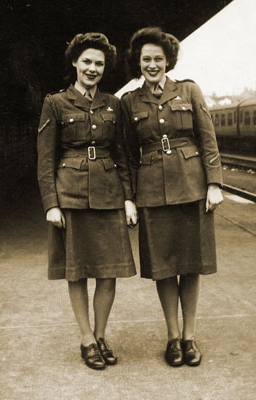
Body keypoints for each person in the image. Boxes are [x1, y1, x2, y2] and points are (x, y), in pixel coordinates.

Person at [121, 27, 223, 367]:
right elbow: (126, 155)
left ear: (168, 61)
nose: (152, 65)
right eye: (146, 59)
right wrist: (129, 198)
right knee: (164, 268)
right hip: (151, 190)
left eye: (158, 59)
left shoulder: (189, 90)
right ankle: (172, 338)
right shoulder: (129, 102)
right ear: (138, 62)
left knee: (190, 265)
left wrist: (214, 184)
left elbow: (208, 139)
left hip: (192, 186)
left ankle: (190, 337)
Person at [37, 32, 137, 370]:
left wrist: (128, 198)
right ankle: (86, 339)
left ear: (104, 68)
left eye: (99, 63)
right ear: (75, 64)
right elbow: (45, 159)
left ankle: (100, 334)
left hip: (109, 194)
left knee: (108, 273)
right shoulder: (56, 102)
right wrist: (51, 203)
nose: (92, 68)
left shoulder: (114, 104)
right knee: (76, 272)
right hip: (71, 195)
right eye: (87, 62)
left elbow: (122, 154)